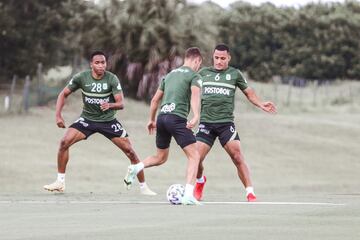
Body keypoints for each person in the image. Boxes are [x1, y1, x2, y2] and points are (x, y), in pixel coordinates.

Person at [43, 50, 156, 195]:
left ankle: (144, 187)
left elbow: (121, 103)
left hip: (108, 122)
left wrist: (110, 105)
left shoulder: (112, 79)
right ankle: (60, 182)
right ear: (91, 64)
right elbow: (63, 94)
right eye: (97, 63)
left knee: (131, 152)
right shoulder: (81, 78)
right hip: (87, 120)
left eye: (103, 62)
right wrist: (58, 115)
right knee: (64, 143)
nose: (101, 66)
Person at [194, 44, 277, 202]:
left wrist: (260, 104)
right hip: (206, 123)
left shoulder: (234, 74)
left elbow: (249, 92)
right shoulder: (203, 73)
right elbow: (192, 92)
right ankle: (199, 182)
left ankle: (250, 192)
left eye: (223, 58)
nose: (219, 61)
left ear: (229, 58)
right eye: (216, 58)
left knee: (238, 157)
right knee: (196, 158)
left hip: (225, 124)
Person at [123, 47, 203, 205]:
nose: (198, 67)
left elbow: (154, 101)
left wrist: (151, 120)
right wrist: (196, 116)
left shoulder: (169, 75)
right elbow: (195, 95)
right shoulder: (195, 76)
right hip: (177, 119)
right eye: (199, 64)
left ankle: (136, 167)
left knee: (160, 157)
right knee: (194, 156)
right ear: (196, 60)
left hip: (162, 118)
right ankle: (188, 195)